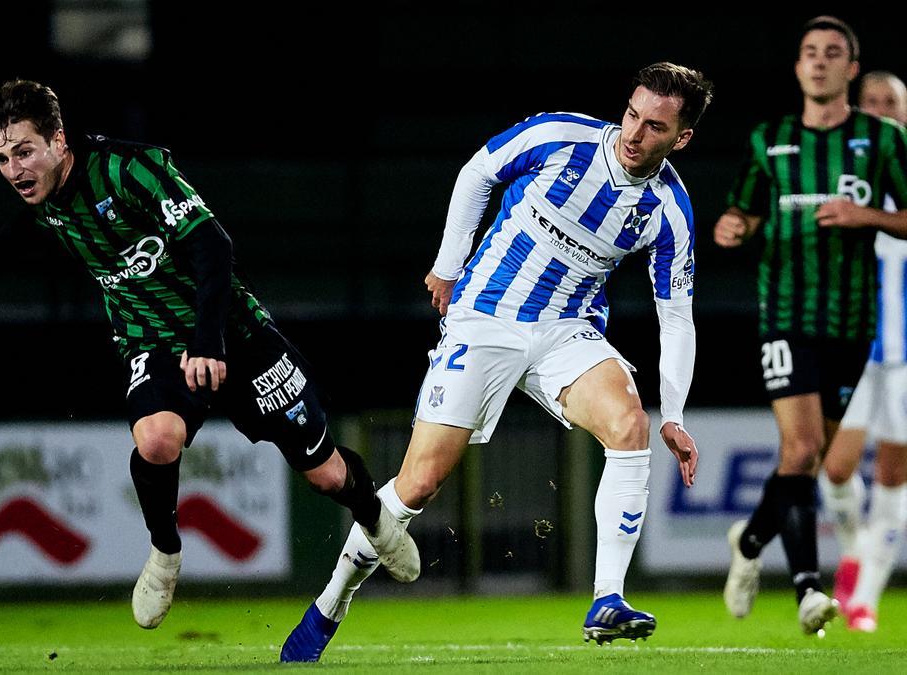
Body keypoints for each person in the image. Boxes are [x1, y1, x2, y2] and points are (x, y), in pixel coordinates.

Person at [0, 79, 417, 630]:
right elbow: (17, 232)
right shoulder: (47, 202)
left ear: (58, 140)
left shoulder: (129, 170)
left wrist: (208, 340)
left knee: (327, 475)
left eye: (23, 152)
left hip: (231, 333)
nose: (13, 170)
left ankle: (375, 519)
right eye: (1, 159)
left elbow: (212, 244)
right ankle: (165, 553)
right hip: (151, 343)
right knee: (156, 437)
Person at [280, 62, 710, 662]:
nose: (634, 134)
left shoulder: (669, 211)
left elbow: (676, 315)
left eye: (655, 126)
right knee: (417, 485)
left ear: (681, 138)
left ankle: (606, 599)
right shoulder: (559, 137)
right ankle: (331, 603)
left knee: (630, 425)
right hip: (485, 315)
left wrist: (677, 414)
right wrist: (448, 264)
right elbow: (477, 172)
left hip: (569, 330)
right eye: (632, 114)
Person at [715, 17, 907, 635]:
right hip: (785, 315)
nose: (818, 62)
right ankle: (807, 590)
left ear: (851, 69)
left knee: (810, 457)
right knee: (799, 450)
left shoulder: (880, 140)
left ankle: (747, 543)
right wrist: (732, 228)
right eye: (808, 53)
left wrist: (867, 214)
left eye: (832, 54)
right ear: (797, 67)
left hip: (853, 325)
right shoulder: (768, 139)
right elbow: (741, 213)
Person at [817, 70, 907, 633]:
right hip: (853, 344)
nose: (878, 111)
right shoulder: (844, 175)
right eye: (869, 102)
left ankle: (864, 600)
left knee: (895, 475)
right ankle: (853, 555)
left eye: (890, 103)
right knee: (835, 468)